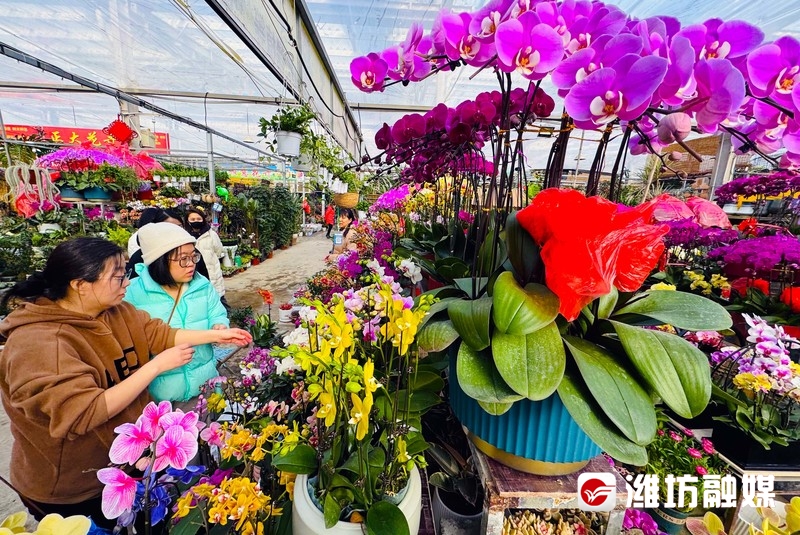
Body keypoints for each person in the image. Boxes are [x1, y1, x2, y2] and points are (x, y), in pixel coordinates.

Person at [0, 237, 251, 528]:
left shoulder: (115, 312)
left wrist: (217, 335)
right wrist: (156, 365)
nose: (127, 284)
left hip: (131, 462)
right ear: (80, 284)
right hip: (73, 486)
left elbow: (159, 334)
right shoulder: (42, 343)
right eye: (118, 276)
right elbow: (83, 412)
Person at [124, 222, 228, 402]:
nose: (191, 264)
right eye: (183, 259)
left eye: (193, 257)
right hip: (161, 396)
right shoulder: (132, 293)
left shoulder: (201, 285)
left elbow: (217, 313)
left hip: (205, 385)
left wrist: (219, 326)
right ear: (159, 260)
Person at [184, 207, 226, 303]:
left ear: (203, 219)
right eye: (192, 219)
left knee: (218, 301)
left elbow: (219, 251)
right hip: (192, 273)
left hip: (211, 273)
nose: (196, 221)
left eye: (199, 219)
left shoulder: (211, 234)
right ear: (188, 221)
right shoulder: (184, 236)